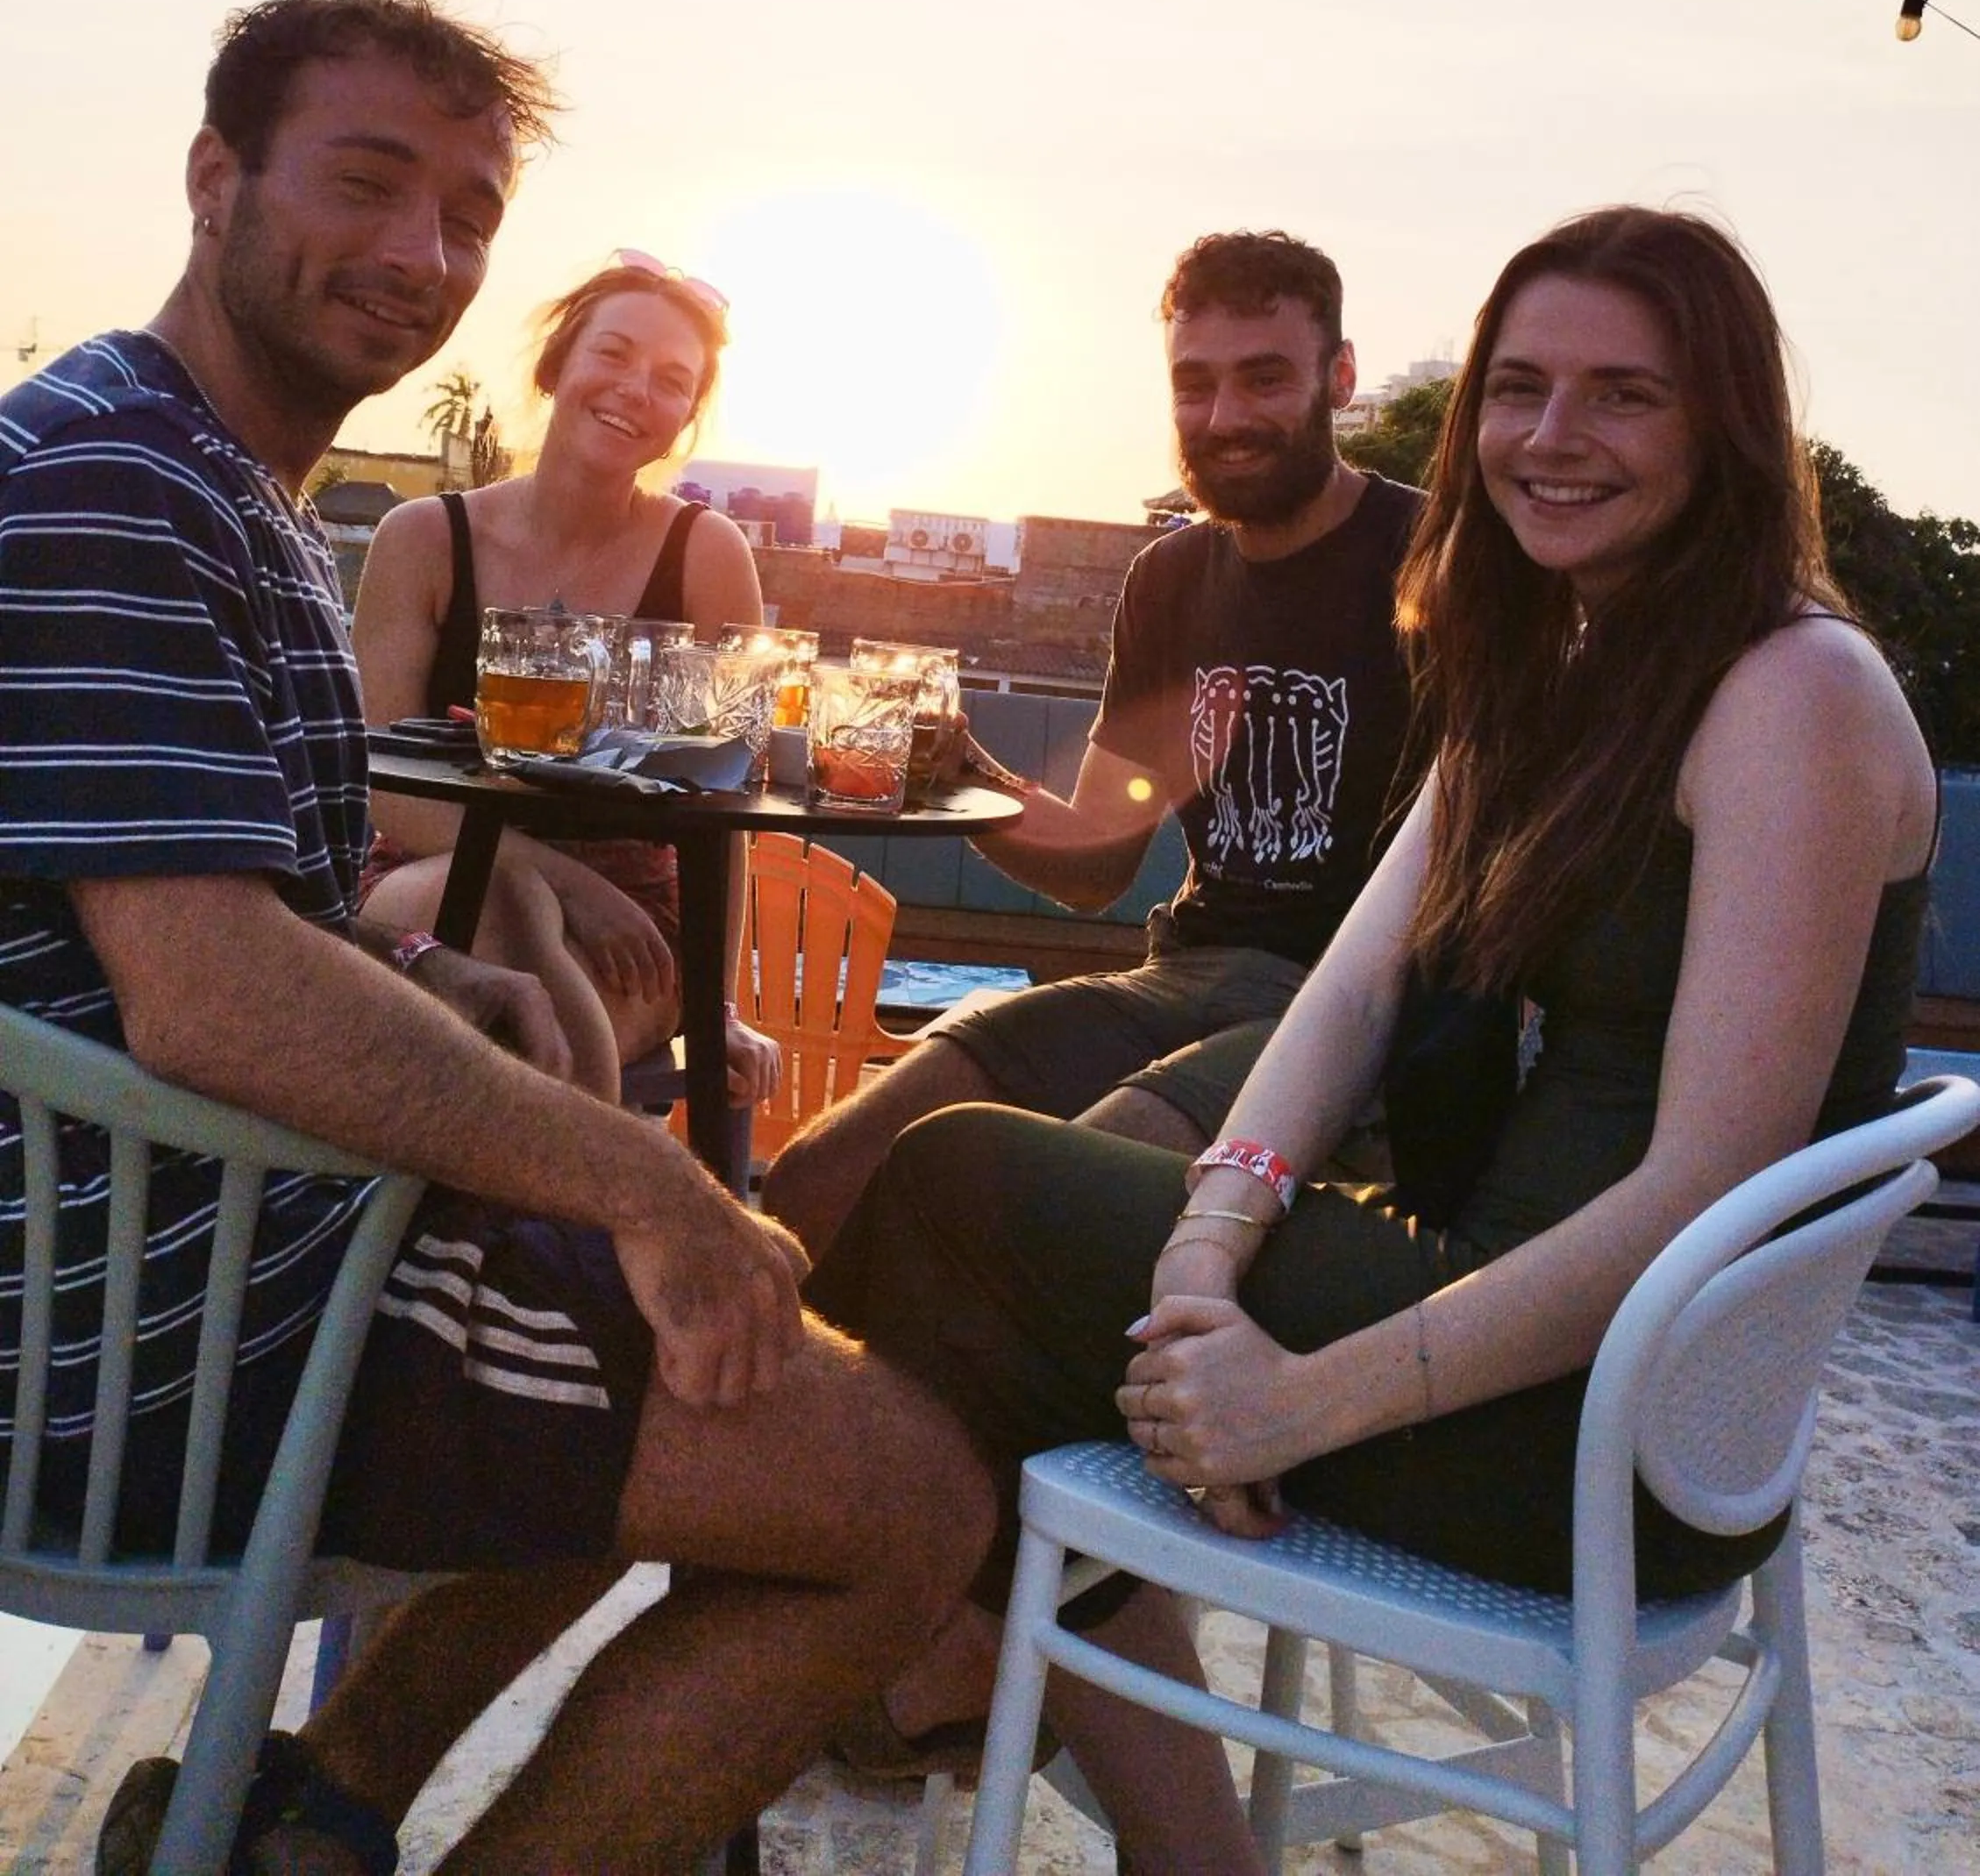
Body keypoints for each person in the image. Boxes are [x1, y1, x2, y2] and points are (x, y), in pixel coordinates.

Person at [808, 204, 1937, 1872]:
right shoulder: (1556, 656)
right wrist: (1209, 1240)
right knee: (977, 1246)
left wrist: (1303, 1402)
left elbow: (1702, 1182)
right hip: (1489, 1308)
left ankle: (965, 1691)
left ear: (1726, 424)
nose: (1550, 440)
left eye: (1622, 395)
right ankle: (1023, 1716)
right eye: (1518, 388)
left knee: (943, 1202)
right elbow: (1351, 992)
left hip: (1592, 1433)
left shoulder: (1792, 695)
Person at [0, 0, 990, 1875]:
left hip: (226, 1249)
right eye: (368, 184)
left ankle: (312, 1813)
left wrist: (419, 968)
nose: (419, 254)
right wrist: (646, 1186)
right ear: (216, 176)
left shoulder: (231, 492)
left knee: (704, 1343)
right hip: (153, 1349)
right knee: (903, 1499)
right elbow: (207, 994)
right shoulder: (123, 481)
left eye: (466, 216)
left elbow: (233, 918)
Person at [763, 228, 1423, 1259]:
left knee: (1045, 1199)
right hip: (1183, 977)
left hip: (1361, 1014)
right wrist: (959, 774)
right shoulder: (1170, 583)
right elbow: (1095, 866)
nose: (1224, 417)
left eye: (1264, 379)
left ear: (1337, 378)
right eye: (1192, 385)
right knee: (818, 1181)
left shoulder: (1434, 566)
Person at [352, 253, 780, 1108]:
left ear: (686, 416)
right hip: (421, 877)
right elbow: (385, 792)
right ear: (557, 366)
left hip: (636, 920)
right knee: (497, 898)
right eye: (612, 355)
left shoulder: (706, 555)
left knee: (505, 962)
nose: (632, 390)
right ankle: (586, 1214)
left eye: (669, 380)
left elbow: (725, 806)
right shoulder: (421, 540)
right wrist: (563, 885)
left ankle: (480, 1233)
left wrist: (715, 1002)